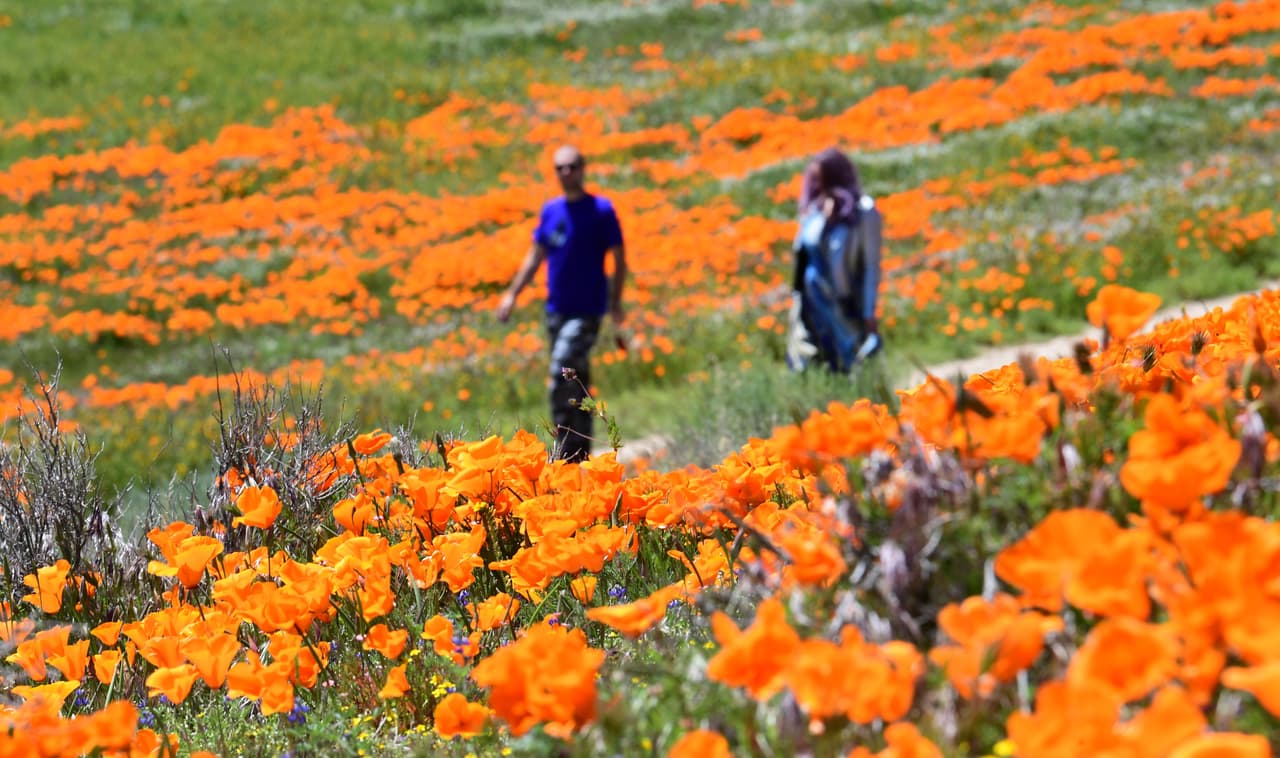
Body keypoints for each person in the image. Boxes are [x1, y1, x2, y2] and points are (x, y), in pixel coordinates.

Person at [497, 145, 627, 463]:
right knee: (575, 378)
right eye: (560, 168)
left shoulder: (601, 210)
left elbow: (620, 259)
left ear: (583, 168)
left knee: (561, 367)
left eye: (571, 166)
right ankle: (580, 453)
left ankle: (563, 448)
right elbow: (536, 254)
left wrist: (615, 303)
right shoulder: (551, 210)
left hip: (588, 311)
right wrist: (512, 293)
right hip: (556, 311)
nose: (566, 173)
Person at [785, 147, 883, 374]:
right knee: (809, 361)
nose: (817, 186)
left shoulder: (863, 213)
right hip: (810, 304)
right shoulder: (814, 212)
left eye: (822, 180)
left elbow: (870, 266)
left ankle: (855, 403)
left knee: (850, 359)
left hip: (843, 303)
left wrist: (869, 312)